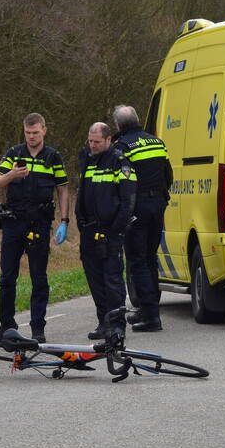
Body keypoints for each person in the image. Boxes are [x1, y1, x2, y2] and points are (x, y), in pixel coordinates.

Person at [0, 113, 69, 342]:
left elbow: (63, 189)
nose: (31, 137)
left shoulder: (53, 157)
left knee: (38, 278)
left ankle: (37, 328)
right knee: (7, 277)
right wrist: (12, 174)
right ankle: (6, 326)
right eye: (27, 133)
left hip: (40, 224)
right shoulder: (14, 154)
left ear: (44, 130)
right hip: (14, 222)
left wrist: (64, 221)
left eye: (35, 132)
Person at [111, 105, 173, 332]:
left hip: (136, 208)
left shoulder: (122, 146)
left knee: (137, 261)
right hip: (158, 205)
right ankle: (149, 311)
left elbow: (123, 183)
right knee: (150, 258)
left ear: (118, 125)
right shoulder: (157, 142)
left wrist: (121, 211)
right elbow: (169, 175)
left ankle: (150, 317)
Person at [75, 122, 136, 339]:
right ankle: (103, 322)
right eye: (90, 141)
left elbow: (128, 199)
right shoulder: (88, 161)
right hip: (89, 231)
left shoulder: (119, 162)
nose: (92, 145)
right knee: (94, 279)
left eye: (97, 142)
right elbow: (82, 194)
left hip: (110, 232)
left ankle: (117, 325)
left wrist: (117, 230)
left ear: (109, 140)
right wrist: (80, 222)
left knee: (112, 280)